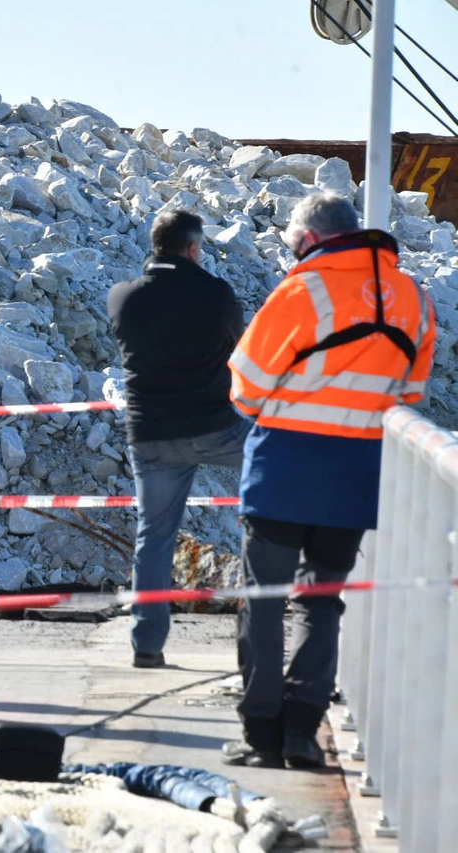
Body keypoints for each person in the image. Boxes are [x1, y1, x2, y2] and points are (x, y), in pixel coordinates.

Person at [222, 191, 435, 769]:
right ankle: (301, 733)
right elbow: (411, 394)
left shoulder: (301, 289)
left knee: (264, 602)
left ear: (310, 240)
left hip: (284, 470)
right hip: (355, 475)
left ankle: (260, 732)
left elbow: (245, 389)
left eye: (293, 244)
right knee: (322, 603)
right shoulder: (413, 297)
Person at [107, 209, 250, 669]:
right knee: (282, 465)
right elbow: (242, 352)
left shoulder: (122, 297)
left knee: (154, 536)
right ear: (193, 248)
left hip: (150, 436)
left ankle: (146, 646)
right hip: (217, 429)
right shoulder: (216, 294)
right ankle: (264, 622)